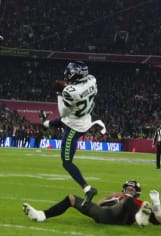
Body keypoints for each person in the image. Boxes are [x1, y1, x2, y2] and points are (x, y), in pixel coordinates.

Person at [39, 61, 106, 207]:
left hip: (75, 127)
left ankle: (87, 189)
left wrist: (59, 93)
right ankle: (46, 124)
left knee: (66, 162)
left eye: (69, 73)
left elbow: (63, 113)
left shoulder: (70, 91)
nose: (67, 75)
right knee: (65, 119)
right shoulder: (92, 79)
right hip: (85, 119)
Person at [23, 179, 161, 227]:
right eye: (128, 189)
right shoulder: (116, 195)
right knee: (71, 198)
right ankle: (41, 215)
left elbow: (159, 221)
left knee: (128, 202)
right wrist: (108, 197)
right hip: (104, 214)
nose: (129, 191)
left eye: (132, 190)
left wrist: (156, 203)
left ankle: (141, 219)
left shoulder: (138, 201)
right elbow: (98, 205)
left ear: (137, 192)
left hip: (120, 218)